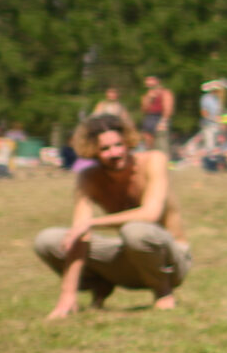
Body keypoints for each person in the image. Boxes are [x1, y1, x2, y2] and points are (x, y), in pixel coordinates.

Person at [33, 113, 190, 319]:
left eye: (118, 144)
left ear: (128, 142)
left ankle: (163, 291)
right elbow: (81, 234)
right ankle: (100, 284)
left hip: (170, 260)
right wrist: (67, 295)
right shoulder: (89, 177)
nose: (115, 153)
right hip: (129, 258)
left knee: (135, 230)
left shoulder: (154, 160)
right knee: (48, 240)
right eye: (105, 149)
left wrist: (91, 222)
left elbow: (150, 214)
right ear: (92, 151)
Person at [138, 75, 174, 152]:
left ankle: (163, 158)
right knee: (148, 143)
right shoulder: (147, 95)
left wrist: (163, 121)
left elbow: (168, 109)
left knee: (162, 142)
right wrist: (149, 98)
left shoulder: (165, 93)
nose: (148, 83)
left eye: (150, 80)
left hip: (160, 117)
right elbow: (143, 109)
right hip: (149, 117)